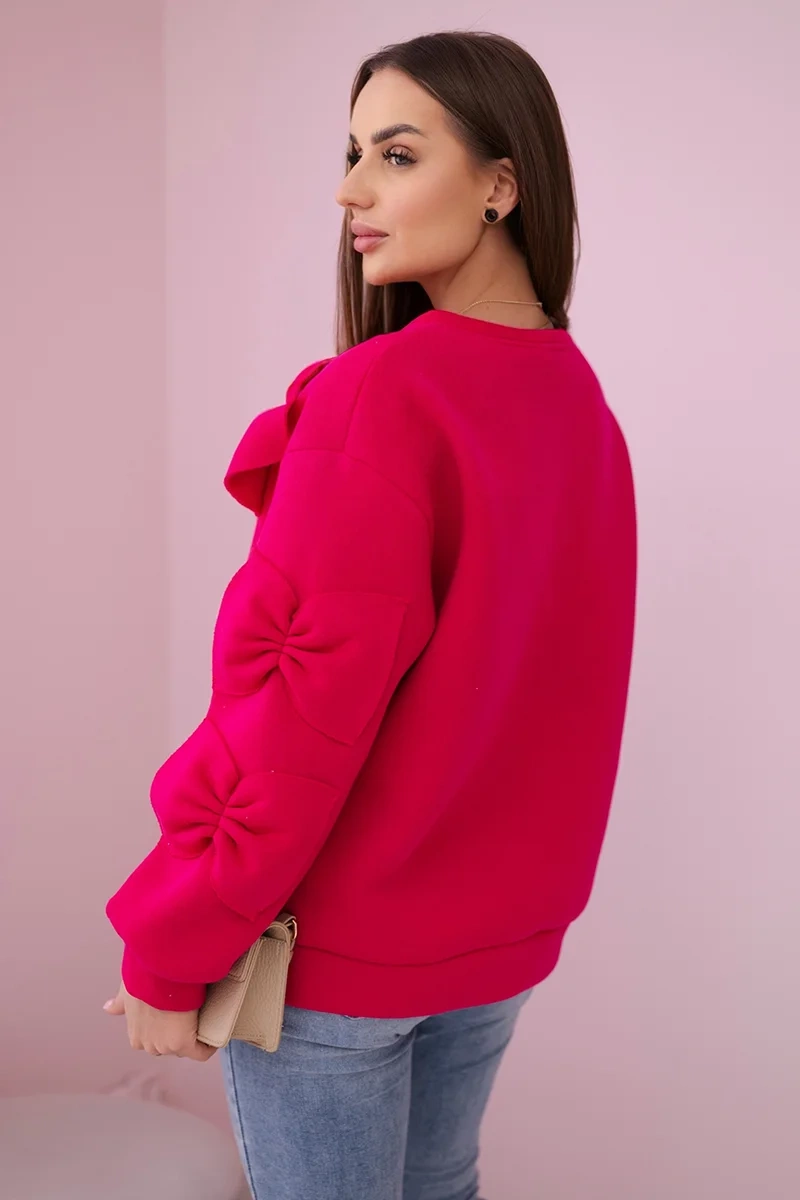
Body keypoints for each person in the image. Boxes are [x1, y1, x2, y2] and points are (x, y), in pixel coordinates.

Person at [103, 29, 637, 1200]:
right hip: (496, 946)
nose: (350, 191)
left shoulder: (382, 394)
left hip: (340, 959)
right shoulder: (576, 397)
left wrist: (172, 939)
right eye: (351, 156)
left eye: (395, 155)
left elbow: (293, 707)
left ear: (500, 184)